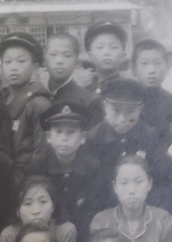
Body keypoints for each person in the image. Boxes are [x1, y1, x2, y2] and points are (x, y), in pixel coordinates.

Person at [26, 102, 102, 237]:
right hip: (45, 229)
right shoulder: (37, 165)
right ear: (49, 137)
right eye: (58, 132)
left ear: (82, 138)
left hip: (83, 231)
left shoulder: (93, 168)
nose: (64, 138)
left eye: (71, 132)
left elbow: (94, 208)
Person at [86, 78, 161, 212]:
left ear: (140, 109)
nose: (122, 119)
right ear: (105, 107)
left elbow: (155, 179)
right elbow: (93, 185)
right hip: (103, 206)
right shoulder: (93, 138)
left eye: (130, 112)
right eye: (116, 111)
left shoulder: (150, 136)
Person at [90, 155, 172, 242]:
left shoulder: (163, 220)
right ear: (115, 187)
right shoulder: (102, 221)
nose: (131, 190)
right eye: (124, 183)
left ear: (149, 184)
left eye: (139, 182)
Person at [1, 33, 53, 174]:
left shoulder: (39, 104)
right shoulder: (2, 99)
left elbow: (42, 153)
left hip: (24, 178)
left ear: (34, 66)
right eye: (8, 61)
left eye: (21, 61)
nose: (13, 67)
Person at [43, 34, 103, 130]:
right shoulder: (38, 95)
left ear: (77, 61)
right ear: (45, 58)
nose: (59, 61)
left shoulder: (90, 101)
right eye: (53, 54)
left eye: (67, 55)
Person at [132, 41, 172, 147]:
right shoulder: (129, 103)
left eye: (157, 63)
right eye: (144, 63)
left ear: (167, 67)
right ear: (134, 69)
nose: (151, 70)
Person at [0, 177, 76, 242]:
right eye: (28, 203)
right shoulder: (9, 236)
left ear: (53, 206)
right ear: (17, 211)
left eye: (43, 201)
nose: (36, 211)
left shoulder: (65, 231)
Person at [83, 25, 130, 94]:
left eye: (113, 47)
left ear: (123, 56)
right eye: (100, 47)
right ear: (90, 56)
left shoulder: (133, 89)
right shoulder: (84, 93)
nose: (107, 52)